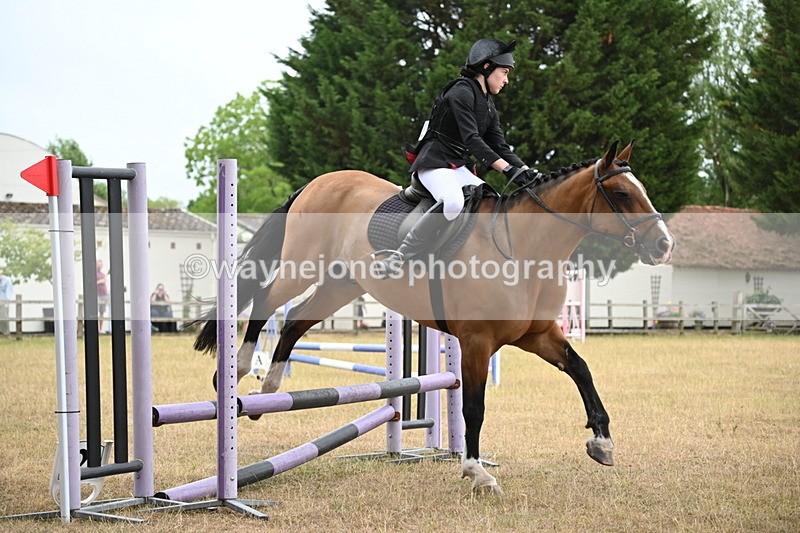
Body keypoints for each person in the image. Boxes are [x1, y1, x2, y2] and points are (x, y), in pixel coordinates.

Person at [374, 37, 534, 277]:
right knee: (453, 202)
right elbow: (472, 140)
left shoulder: (489, 105)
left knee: (494, 202)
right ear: (487, 67)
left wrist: (528, 172)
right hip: (434, 162)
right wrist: (508, 170)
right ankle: (400, 257)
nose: (506, 80)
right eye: (504, 72)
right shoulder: (460, 91)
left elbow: (500, 146)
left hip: (457, 167)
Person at [96, 260, 109, 333]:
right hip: (97, 295)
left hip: (103, 295)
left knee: (102, 312)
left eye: (101, 265)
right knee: (96, 312)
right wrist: (99, 281)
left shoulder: (103, 274)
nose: (99, 266)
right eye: (98, 265)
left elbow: (104, 281)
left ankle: (100, 329)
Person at [0, 269, 14, 335]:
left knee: (4, 317)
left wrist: (6, 303)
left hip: (3, 301)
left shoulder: (7, 280)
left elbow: (8, 293)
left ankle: (6, 333)